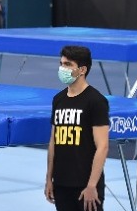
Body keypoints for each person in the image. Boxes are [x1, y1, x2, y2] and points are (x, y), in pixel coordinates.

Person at [45, 45, 109, 211]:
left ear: (82, 70)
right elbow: (53, 142)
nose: (62, 68)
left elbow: (102, 146)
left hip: (85, 185)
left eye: (68, 65)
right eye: (61, 63)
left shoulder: (96, 101)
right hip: (61, 183)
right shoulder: (58, 100)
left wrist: (92, 185)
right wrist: (49, 179)